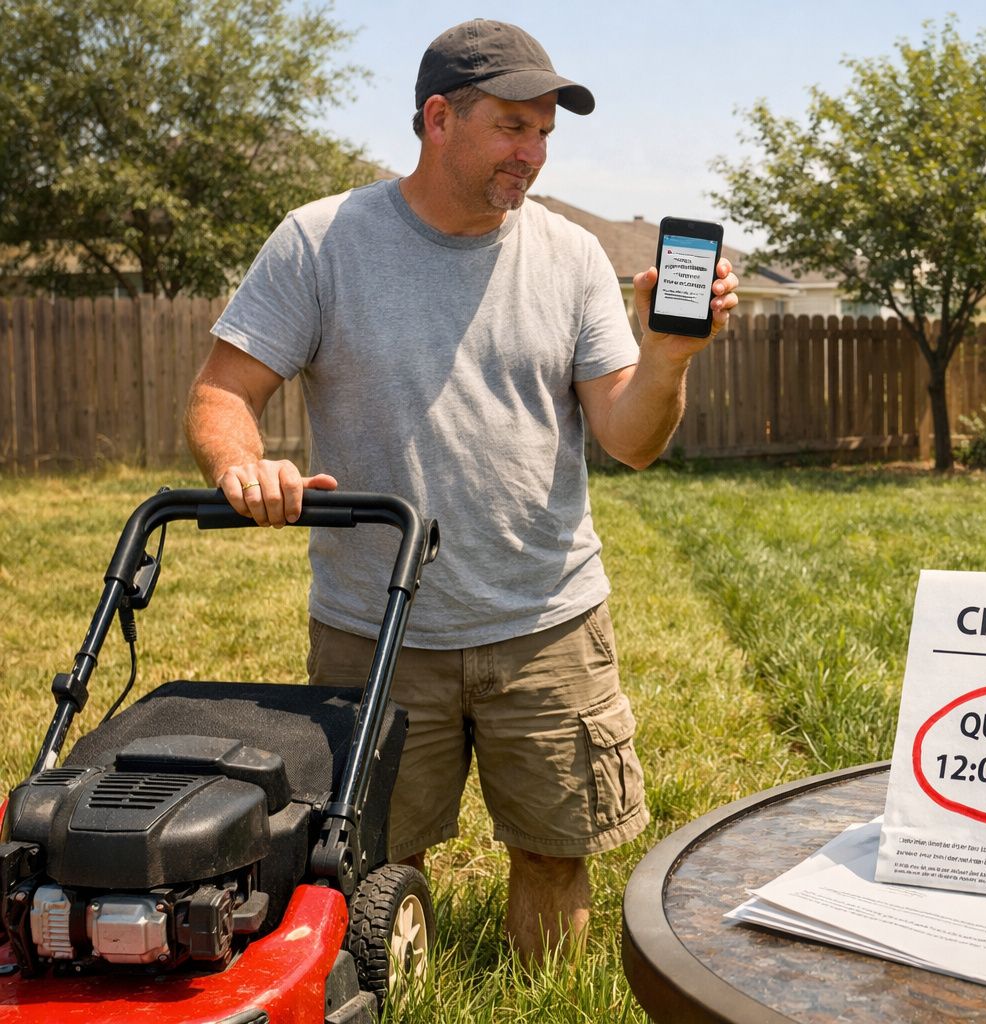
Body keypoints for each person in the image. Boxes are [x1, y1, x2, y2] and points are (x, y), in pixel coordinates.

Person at [184, 18, 738, 965]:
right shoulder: (322, 242)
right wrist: (243, 464)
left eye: (546, 135)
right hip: (378, 627)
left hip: (546, 619)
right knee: (366, 862)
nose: (534, 153)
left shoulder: (568, 258)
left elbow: (630, 439)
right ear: (439, 118)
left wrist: (669, 357)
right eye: (514, 127)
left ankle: (537, 1001)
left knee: (557, 855)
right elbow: (222, 392)